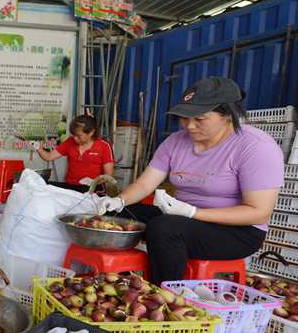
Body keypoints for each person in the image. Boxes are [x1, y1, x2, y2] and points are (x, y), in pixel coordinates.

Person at [97, 77, 283, 284]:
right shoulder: (175, 142)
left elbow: (258, 213)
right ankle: (119, 282)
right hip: (182, 217)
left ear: (228, 116)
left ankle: (164, 297)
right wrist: (119, 200)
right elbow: (144, 184)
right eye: (184, 118)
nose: (189, 126)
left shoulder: (256, 147)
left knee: (164, 228)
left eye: (199, 119)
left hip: (237, 231)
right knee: (116, 214)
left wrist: (194, 212)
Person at [34, 114, 114, 192]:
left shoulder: (104, 146)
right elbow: (49, 157)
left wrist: (94, 182)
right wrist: (39, 148)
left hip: (93, 189)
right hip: (71, 187)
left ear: (91, 133)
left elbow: (108, 175)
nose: (75, 139)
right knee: (43, 186)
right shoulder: (69, 142)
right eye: (74, 135)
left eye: (79, 136)